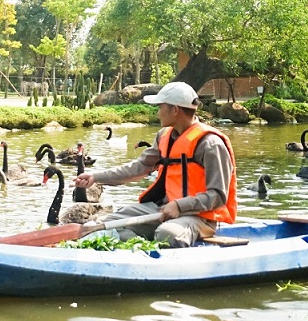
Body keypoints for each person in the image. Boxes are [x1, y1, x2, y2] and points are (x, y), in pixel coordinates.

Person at [72, 81, 236, 248]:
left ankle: (158, 249)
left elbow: (218, 196)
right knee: (104, 224)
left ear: (175, 110)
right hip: (162, 209)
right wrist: (95, 177)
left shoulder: (211, 144)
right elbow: (139, 167)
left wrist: (180, 205)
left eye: (160, 107)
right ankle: (142, 250)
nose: (158, 113)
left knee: (167, 234)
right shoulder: (164, 136)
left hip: (198, 216)